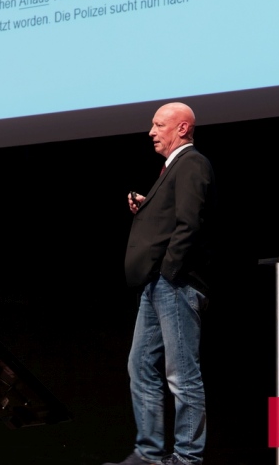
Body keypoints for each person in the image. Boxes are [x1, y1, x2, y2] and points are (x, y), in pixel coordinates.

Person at [104, 102, 215, 465]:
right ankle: (150, 453)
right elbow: (172, 215)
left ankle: (187, 457)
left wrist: (169, 270)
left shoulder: (192, 162)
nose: (151, 132)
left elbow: (190, 222)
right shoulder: (172, 168)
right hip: (157, 284)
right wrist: (147, 204)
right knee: (140, 366)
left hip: (175, 283)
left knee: (182, 373)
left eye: (159, 125)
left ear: (182, 128)